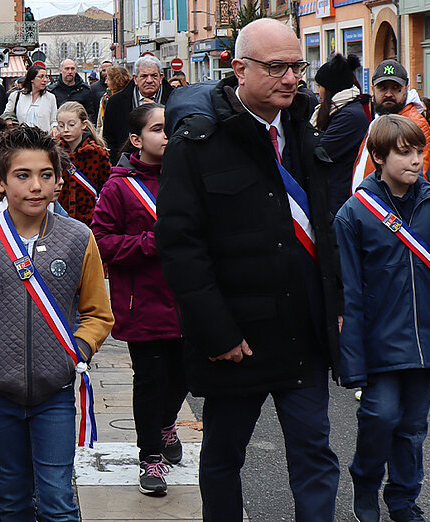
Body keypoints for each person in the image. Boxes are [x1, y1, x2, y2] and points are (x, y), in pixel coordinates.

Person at [155, 19, 342, 521]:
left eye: (297, 68)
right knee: (222, 458)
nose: (290, 79)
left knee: (315, 456)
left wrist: (338, 307)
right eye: (276, 67)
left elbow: (326, 229)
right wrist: (218, 334)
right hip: (237, 341)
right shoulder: (196, 143)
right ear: (238, 68)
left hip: (304, 335)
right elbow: (179, 249)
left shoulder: (304, 130)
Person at [0, 125, 114, 522]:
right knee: (13, 500)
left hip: (55, 392)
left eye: (46, 175)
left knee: (57, 500)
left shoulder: (78, 237)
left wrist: (76, 352)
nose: (36, 186)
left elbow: (99, 313)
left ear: (58, 180)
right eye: (23, 175)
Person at [334, 114, 430, 522]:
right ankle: (366, 482)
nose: (415, 160)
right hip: (378, 341)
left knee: (411, 428)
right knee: (380, 416)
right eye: (403, 153)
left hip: (427, 341)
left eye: (419, 151)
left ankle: (403, 501)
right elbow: (350, 294)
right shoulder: (353, 214)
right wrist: (351, 362)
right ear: (378, 158)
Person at [90, 103, 186, 496]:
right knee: (151, 380)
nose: (167, 136)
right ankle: (150, 459)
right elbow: (101, 241)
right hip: (141, 301)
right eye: (159, 129)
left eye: (171, 129)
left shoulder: (185, 176)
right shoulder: (118, 186)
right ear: (136, 139)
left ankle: (166, 423)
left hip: (186, 298)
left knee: (184, 376)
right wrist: (150, 242)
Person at [350, 59, 430, 198]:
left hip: (386, 212)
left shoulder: (414, 124)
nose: (389, 94)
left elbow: (414, 179)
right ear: (373, 89)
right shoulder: (380, 117)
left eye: (396, 88)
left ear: (406, 88)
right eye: (382, 88)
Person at [310, 53, 371, 214]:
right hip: (332, 194)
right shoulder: (339, 111)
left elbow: (318, 151)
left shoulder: (350, 116)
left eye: (320, 86)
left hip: (340, 199)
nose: (317, 92)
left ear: (331, 88)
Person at [103, 56, 173, 164]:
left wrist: (161, 110)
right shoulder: (115, 102)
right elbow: (109, 139)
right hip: (128, 166)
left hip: (167, 164)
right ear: (135, 79)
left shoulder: (175, 100)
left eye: (154, 76)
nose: (149, 80)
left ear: (161, 77)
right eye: (144, 76)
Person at [55, 101, 110, 225]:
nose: (65, 130)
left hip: (90, 218)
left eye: (71, 125)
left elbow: (106, 188)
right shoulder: (53, 152)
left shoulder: (98, 153)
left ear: (84, 124)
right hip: (59, 216)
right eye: (61, 125)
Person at [3, 65, 58, 133]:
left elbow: (54, 121)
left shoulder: (50, 97)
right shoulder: (16, 96)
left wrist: (54, 128)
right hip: (21, 140)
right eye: (41, 77)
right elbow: (6, 115)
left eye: (46, 77)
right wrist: (10, 122)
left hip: (43, 140)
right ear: (32, 79)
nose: (45, 80)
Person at [97, 65, 131, 131]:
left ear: (116, 81)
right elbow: (99, 124)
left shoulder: (128, 98)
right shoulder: (105, 98)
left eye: (108, 79)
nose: (105, 82)